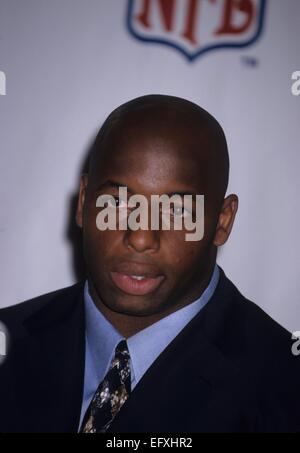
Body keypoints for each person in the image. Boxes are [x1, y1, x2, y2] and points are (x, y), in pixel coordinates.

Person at [0, 95, 299, 433]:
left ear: (222, 221)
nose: (141, 237)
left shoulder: (285, 388)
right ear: (84, 201)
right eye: (118, 202)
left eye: (177, 211)